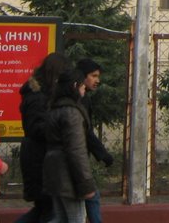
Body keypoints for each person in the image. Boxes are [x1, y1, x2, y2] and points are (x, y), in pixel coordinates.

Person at [16, 52, 72, 223]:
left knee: (43, 210)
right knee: (49, 211)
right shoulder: (38, 97)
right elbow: (36, 128)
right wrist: (59, 128)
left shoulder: (41, 94)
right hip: (39, 160)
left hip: (41, 159)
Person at [43, 69, 97, 223]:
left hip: (54, 171)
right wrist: (86, 185)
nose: (84, 89)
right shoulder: (72, 113)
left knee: (60, 218)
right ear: (75, 86)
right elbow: (77, 150)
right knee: (76, 219)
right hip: (69, 175)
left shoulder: (55, 108)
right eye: (82, 86)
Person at [76, 59, 113, 223]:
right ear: (83, 77)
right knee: (92, 197)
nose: (97, 80)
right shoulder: (79, 100)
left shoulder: (82, 99)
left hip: (75, 158)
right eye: (93, 76)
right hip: (75, 158)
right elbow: (86, 132)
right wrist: (103, 154)